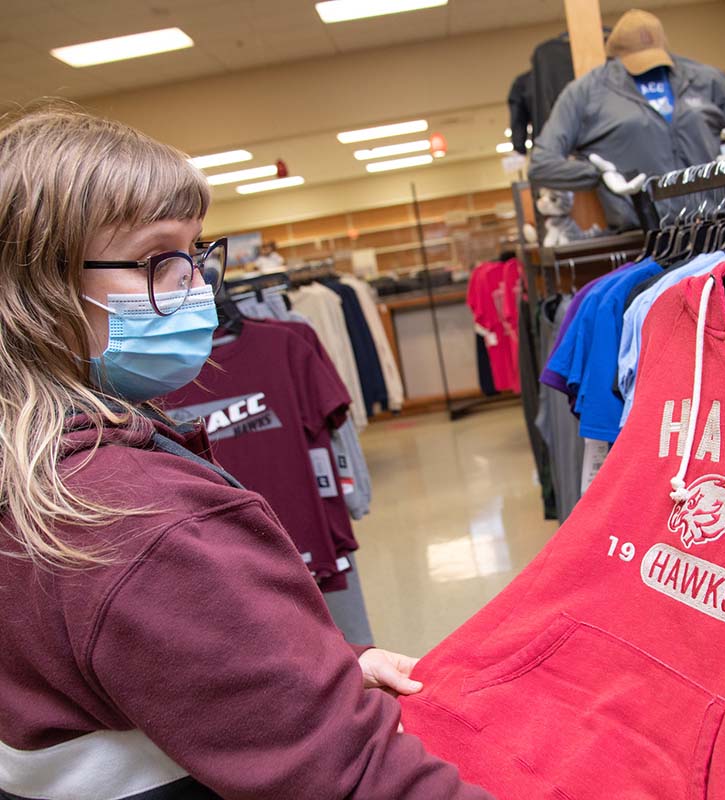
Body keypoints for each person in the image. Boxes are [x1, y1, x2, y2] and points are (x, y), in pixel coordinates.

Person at [0, 105, 493, 799]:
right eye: (155, 260)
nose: (198, 285)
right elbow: (356, 784)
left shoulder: (36, 471)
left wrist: (317, 664)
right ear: (38, 289)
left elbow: (133, 658)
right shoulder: (141, 519)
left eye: (197, 253)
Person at [529, 8, 725, 231]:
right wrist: (597, 173)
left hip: (723, 228)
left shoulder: (708, 81)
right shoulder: (586, 92)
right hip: (647, 237)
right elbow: (541, 164)